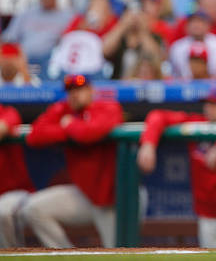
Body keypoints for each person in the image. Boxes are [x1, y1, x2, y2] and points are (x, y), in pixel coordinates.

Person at [137, 88, 216, 248]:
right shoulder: (197, 123)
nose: (209, 108)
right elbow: (157, 116)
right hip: (206, 216)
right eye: (207, 104)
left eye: (215, 104)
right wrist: (148, 144)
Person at [23, 75, 123, 248]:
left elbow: (90, 133)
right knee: (34, 209)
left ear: (91, 90)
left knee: (115, 252)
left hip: (112, 197)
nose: (74, 95)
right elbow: (34, 135)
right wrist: (67, 127)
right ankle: (67, 256)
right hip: (85, 194)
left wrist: (69, 125)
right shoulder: (63, 110)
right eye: (70, 91)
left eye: (79, 89)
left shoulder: (107, 107)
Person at [1, 0, 74, 66]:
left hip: (51, 63)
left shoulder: (68, 16)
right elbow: (8, 38)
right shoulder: (26, 13)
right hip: (23, 61)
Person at [0, 103, 35, 247]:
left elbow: (2, 128)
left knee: (3, 211)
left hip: (16, 194)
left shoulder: (8, 112)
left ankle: (13, 255)